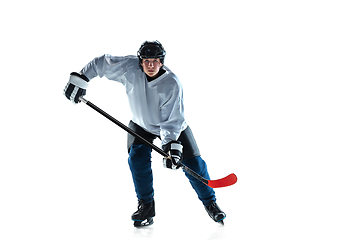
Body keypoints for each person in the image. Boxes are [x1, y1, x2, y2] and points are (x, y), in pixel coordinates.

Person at [64, 41, 226, 227]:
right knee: (137, 160)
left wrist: (171, 149)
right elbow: (101, 63)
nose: (150, 65)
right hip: (140, 124)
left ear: (161, 62)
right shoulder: (129, 68)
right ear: (140, 61)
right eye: (146, 61)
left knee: (194, 164)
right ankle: (146, 206)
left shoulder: (172, 84)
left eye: (155, 61)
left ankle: (210, 203)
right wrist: (81, 79)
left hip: (173, 127)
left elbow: (172, 122)